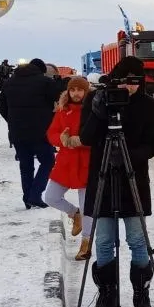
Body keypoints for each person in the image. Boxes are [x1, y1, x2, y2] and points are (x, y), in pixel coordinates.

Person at [80, 56, 154, 307]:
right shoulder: (96, 101)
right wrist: (97, 112)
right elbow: (86, 137)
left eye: (135, 82)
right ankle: (107, 297)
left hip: (132, 179)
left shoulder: (148, 106)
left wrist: (126, 154)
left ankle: (141, 296)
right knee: (103, 241)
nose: (129, 87)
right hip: (102, 180)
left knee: (137, 241)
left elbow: (152, 146)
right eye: (124, 81)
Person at [0, 57, 60, 208]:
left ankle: (27, 197)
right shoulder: (45, 82)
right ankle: (35, 194)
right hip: (41, 132)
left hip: (17, 133)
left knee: (26, 166)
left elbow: (2, 107)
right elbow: (58, 101)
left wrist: (14, 121)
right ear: (42, 70)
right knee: (48, 161)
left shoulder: (9, 83)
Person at [43, 76, 93, 260]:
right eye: (73, 90)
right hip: (65, 162)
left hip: (87, 162)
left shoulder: (92, 109)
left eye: (80, 90)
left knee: (87, 205)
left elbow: (97, 135)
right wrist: (62, 140)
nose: (76, 93)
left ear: (86, 91)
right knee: (50, 197)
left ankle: (86, 243)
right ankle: (74, 214)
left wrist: (81, 140)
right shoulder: (62, 110)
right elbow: (51, 133)